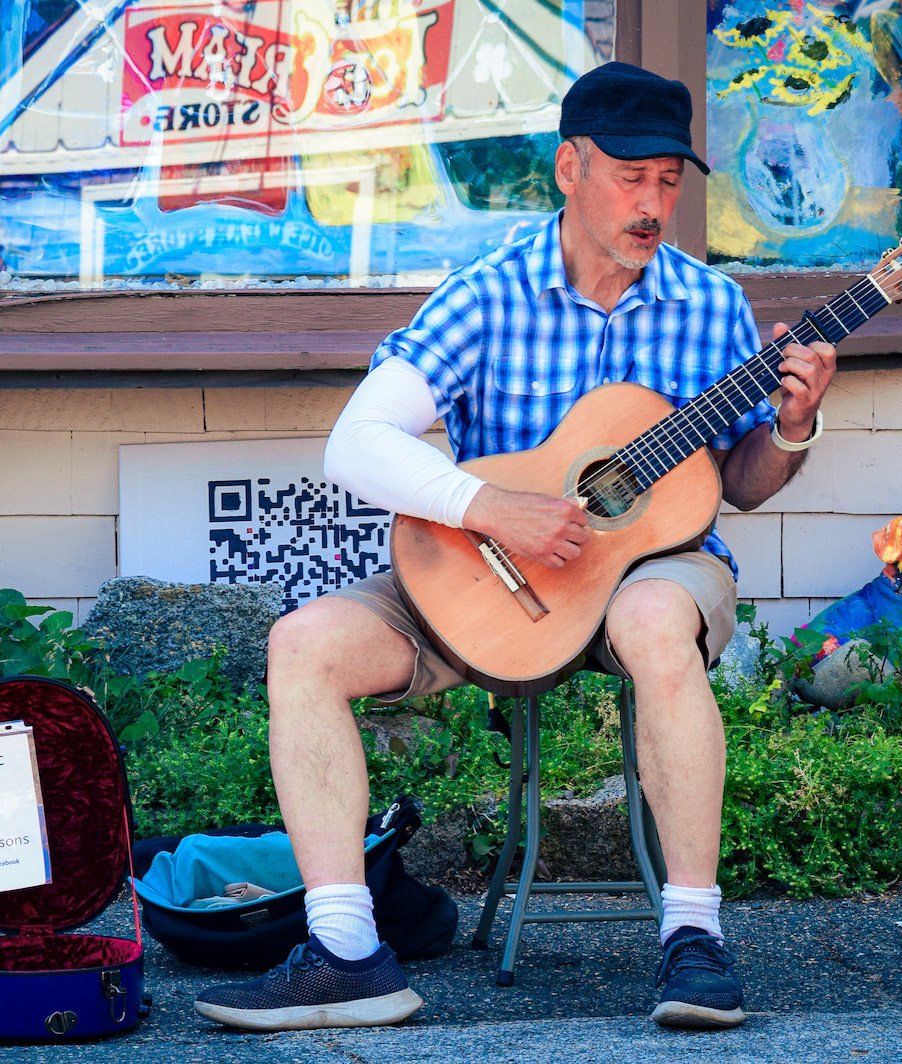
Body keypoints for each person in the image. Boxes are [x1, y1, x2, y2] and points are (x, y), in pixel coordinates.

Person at [194, 61, 836, 1033]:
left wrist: (790, 424)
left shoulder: (709, 305)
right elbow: (353, 443)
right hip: (494, 583)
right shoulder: (484, 294)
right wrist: (489, 505)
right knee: (304, 642)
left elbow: (733, 482)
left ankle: (692, 938)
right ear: (567, 166)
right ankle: (344, 953)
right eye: (630, 176)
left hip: (647, 574)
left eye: (668, 179)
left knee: (655, 613)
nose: (652, 201)